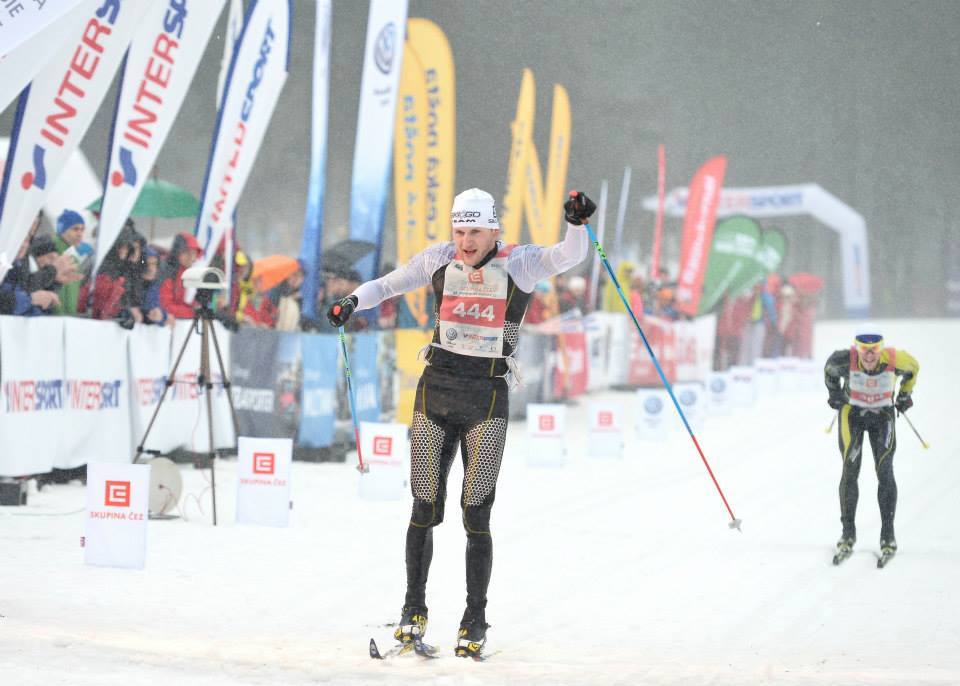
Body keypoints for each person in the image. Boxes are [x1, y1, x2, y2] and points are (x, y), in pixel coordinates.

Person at [326, 187, 595, 657]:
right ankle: (413, 609)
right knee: (423, 506)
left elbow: (568, 256)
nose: (466, 242)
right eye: (459, 231)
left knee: (476, 512)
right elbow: (386, 286)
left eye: (474, 232)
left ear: (494, 230)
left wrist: (576, 223)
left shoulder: (519, 263)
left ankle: (474, 617)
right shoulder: (439, 259)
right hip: (435, 392)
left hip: (485, 397)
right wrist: (350, 302)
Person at [824, 325, 919, 560]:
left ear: (881, 348)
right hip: (852, 417)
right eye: (863, 349)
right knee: (850, 470)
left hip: (882, 417)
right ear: (857, 349)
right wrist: (835, 394)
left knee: (885, 471)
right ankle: (847, 534)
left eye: (874, 349)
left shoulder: (896, 360)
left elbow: (913, 368)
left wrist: (905, 395)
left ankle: (888, 535)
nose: (868, 355)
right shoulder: (844, 359)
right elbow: (829, 370)